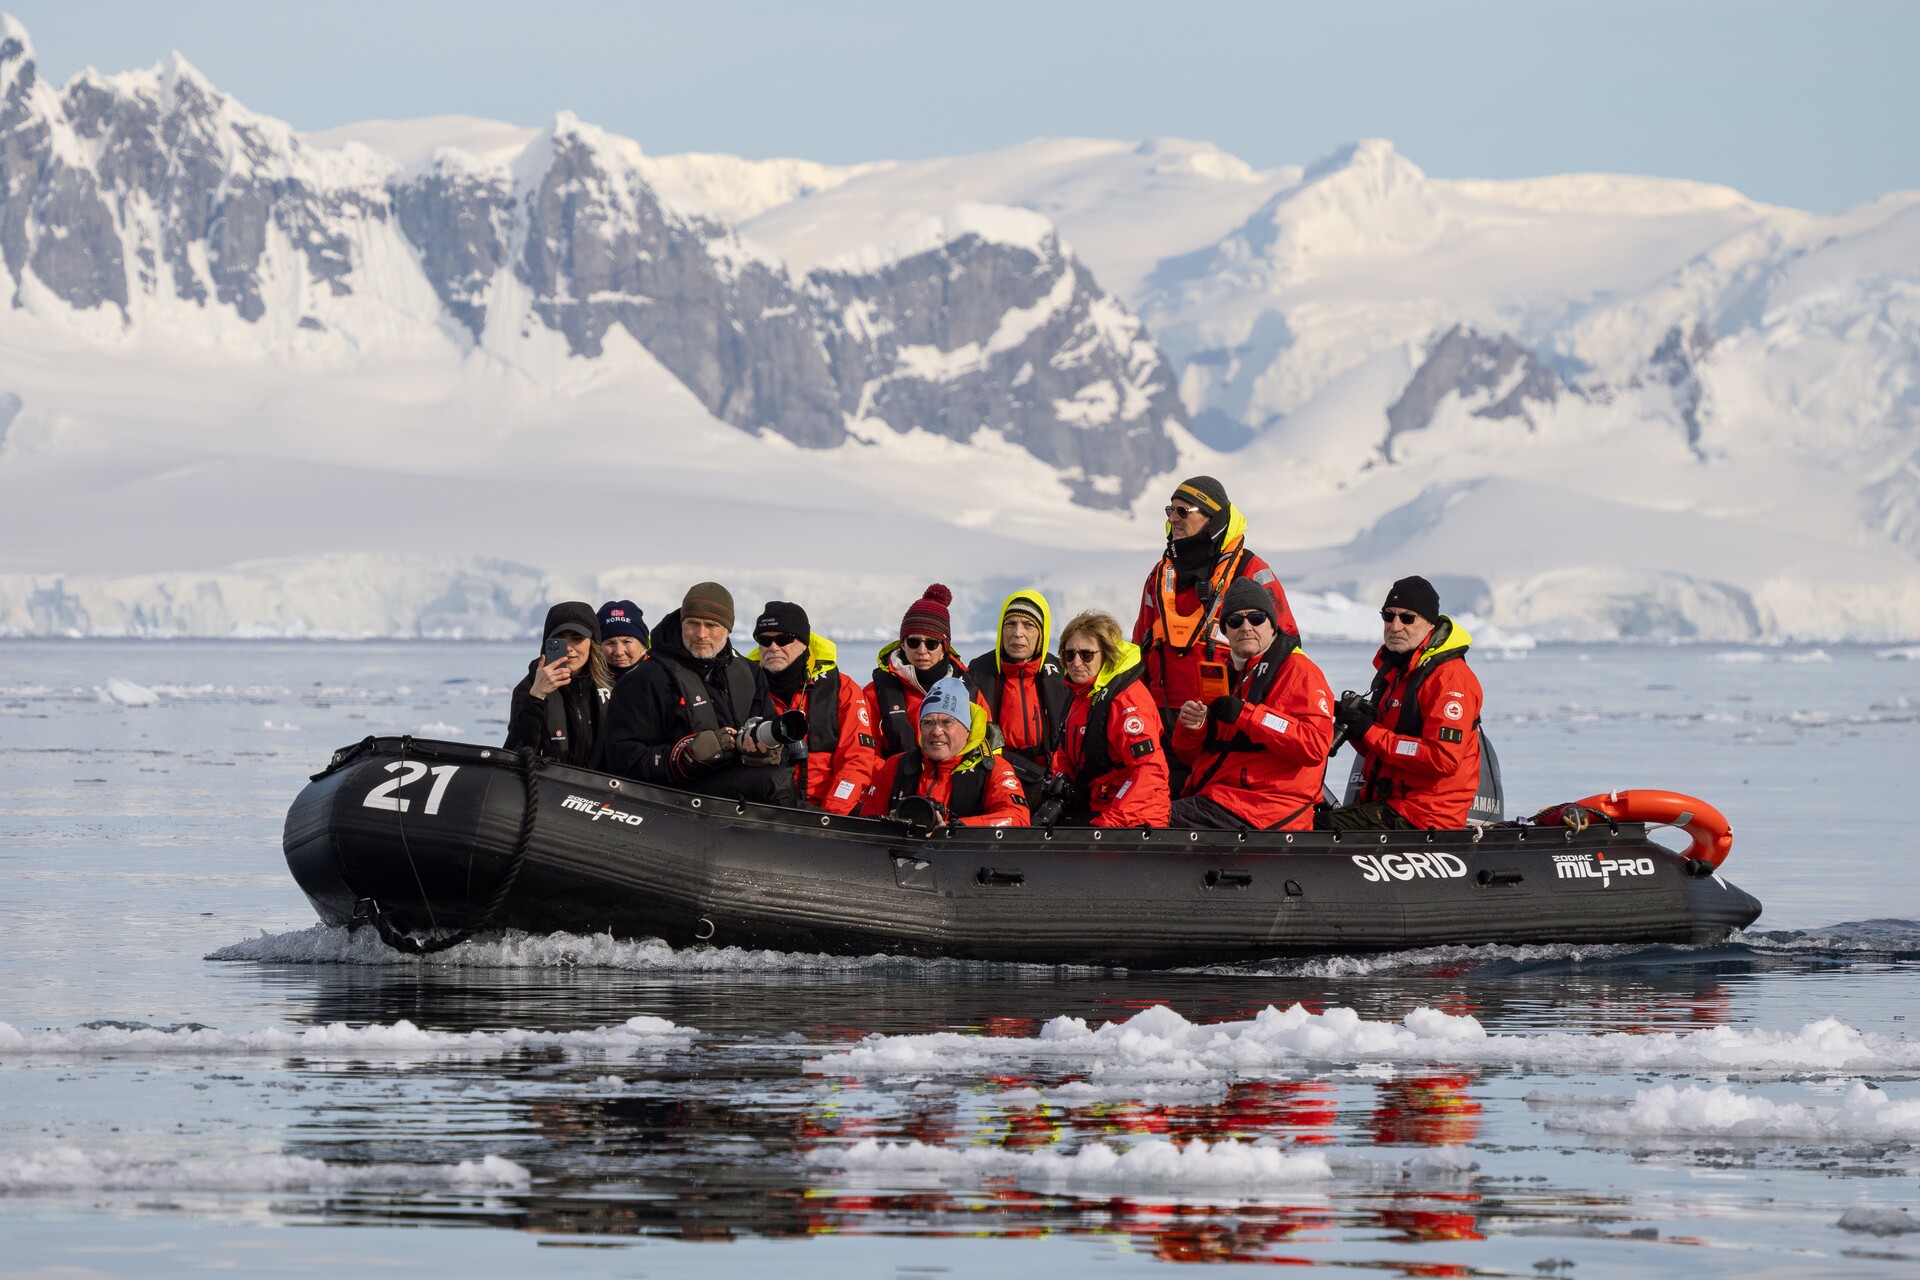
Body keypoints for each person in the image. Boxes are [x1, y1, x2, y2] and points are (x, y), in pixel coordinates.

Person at [1133, 477, 1300, 774]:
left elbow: (1286, 647)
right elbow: (1139, 648)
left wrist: (1252, 714)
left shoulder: (1251, 571)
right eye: (1170, 510)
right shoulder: (1160, 576)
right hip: (1162, 725)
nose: (1173, 519)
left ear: (1211, 518)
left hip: (1225, 722)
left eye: (1183, 512)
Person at [601, 582, 794, 805]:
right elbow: (620, 757)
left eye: (711, 625)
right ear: (681, 623)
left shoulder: (749, 675)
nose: (701, 634)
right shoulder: (646, 678)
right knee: (772, 783)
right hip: (673, 796)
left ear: (728, 629)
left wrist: (765, 750)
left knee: (777, 776)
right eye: (693, 623)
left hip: (735, 787)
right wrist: (683, 757)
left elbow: (778, 745)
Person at [1320, 576, 1484, 831]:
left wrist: (1370, 730)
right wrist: (1355, 725)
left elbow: (1442, 759)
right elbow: (1385, 751)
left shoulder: (1450, 679)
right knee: (1303, 813)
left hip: (1425, 816)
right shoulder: (1399, 670)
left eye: (1407, 618)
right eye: (1388, 616)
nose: (1395, 626)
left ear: (1430, 624)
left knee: (1313, 828)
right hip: (1392, 805)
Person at [1169, 578, 1333, 831]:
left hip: (1267, 807)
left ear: (1272, 625)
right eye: (1235, 621)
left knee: (1151, 819)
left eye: (1256, 618)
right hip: (1224, 798)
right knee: (1136, 808)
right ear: (1225, 631)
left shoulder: (1300, 672)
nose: (1246, 627)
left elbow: (1314, 745)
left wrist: (1247, 715)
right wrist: (1192, 726)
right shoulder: (1228, 674)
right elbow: (1187, 754)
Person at [752, 600, 880, 815]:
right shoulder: (746, 686)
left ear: (804, 643)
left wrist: (830, 818)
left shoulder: (842, 690)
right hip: (762, 810)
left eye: (784, 639)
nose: (773, 647)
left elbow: (856, 760)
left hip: (825, 810)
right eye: (765, 640)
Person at [1045, 609, 1170, 828]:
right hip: (1100, 805)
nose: (1076, 662)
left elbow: (1149, 772)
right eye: (1069, 654)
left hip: (1137, 816)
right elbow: (1066, 758)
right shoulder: (1081, 695)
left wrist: (1108, 826)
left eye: (1086, 654)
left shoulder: (1127, 701)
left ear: (1106, 654)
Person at [965, 589, 1070, 790]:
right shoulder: (978, 673)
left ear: (1042, 634)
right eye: (1010, 624)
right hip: (993, 773)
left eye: (1028, 625)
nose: (1017, 633)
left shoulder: (1063, 675)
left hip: (1050, 776)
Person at [866, 584, 981, 759]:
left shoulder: (969, 691)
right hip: (895, 781)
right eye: (913, 642)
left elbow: (986, 746)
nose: (922, 650)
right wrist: (895, 779)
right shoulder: (874, 694)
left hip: (954, 781)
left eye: (931, 643)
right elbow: (865, 755)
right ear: (902, 644)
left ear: (944, 648)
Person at [505, 601, 612, 768]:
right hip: (550, 786)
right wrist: (536, 698)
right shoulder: (528, 689)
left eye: (577, 638)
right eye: (559, 640)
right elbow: (514, 754)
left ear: (593, 642)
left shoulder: (611, 687)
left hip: (599, 788)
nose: (568, 648)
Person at [597, 599, 650, 682]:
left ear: (643, 644)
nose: (619, 652)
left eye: (627, 642)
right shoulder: (585, 683)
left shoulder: (664, 679)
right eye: (610, 643)